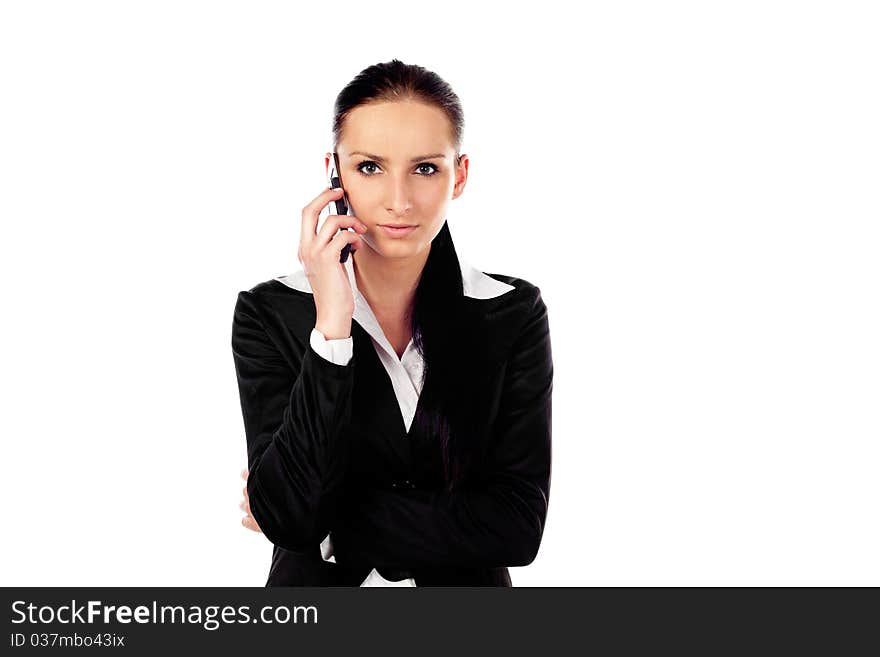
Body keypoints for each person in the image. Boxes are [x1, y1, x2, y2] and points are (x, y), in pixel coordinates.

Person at [231, 59, 553, 586]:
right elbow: (290, 515)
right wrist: (331, 328)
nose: (399, 201)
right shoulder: (270, 313)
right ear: (334, 171)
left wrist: (332, 528)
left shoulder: (510, 312)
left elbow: (517, 528)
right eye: (370, 167)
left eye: (425, 168)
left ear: (460, 175)